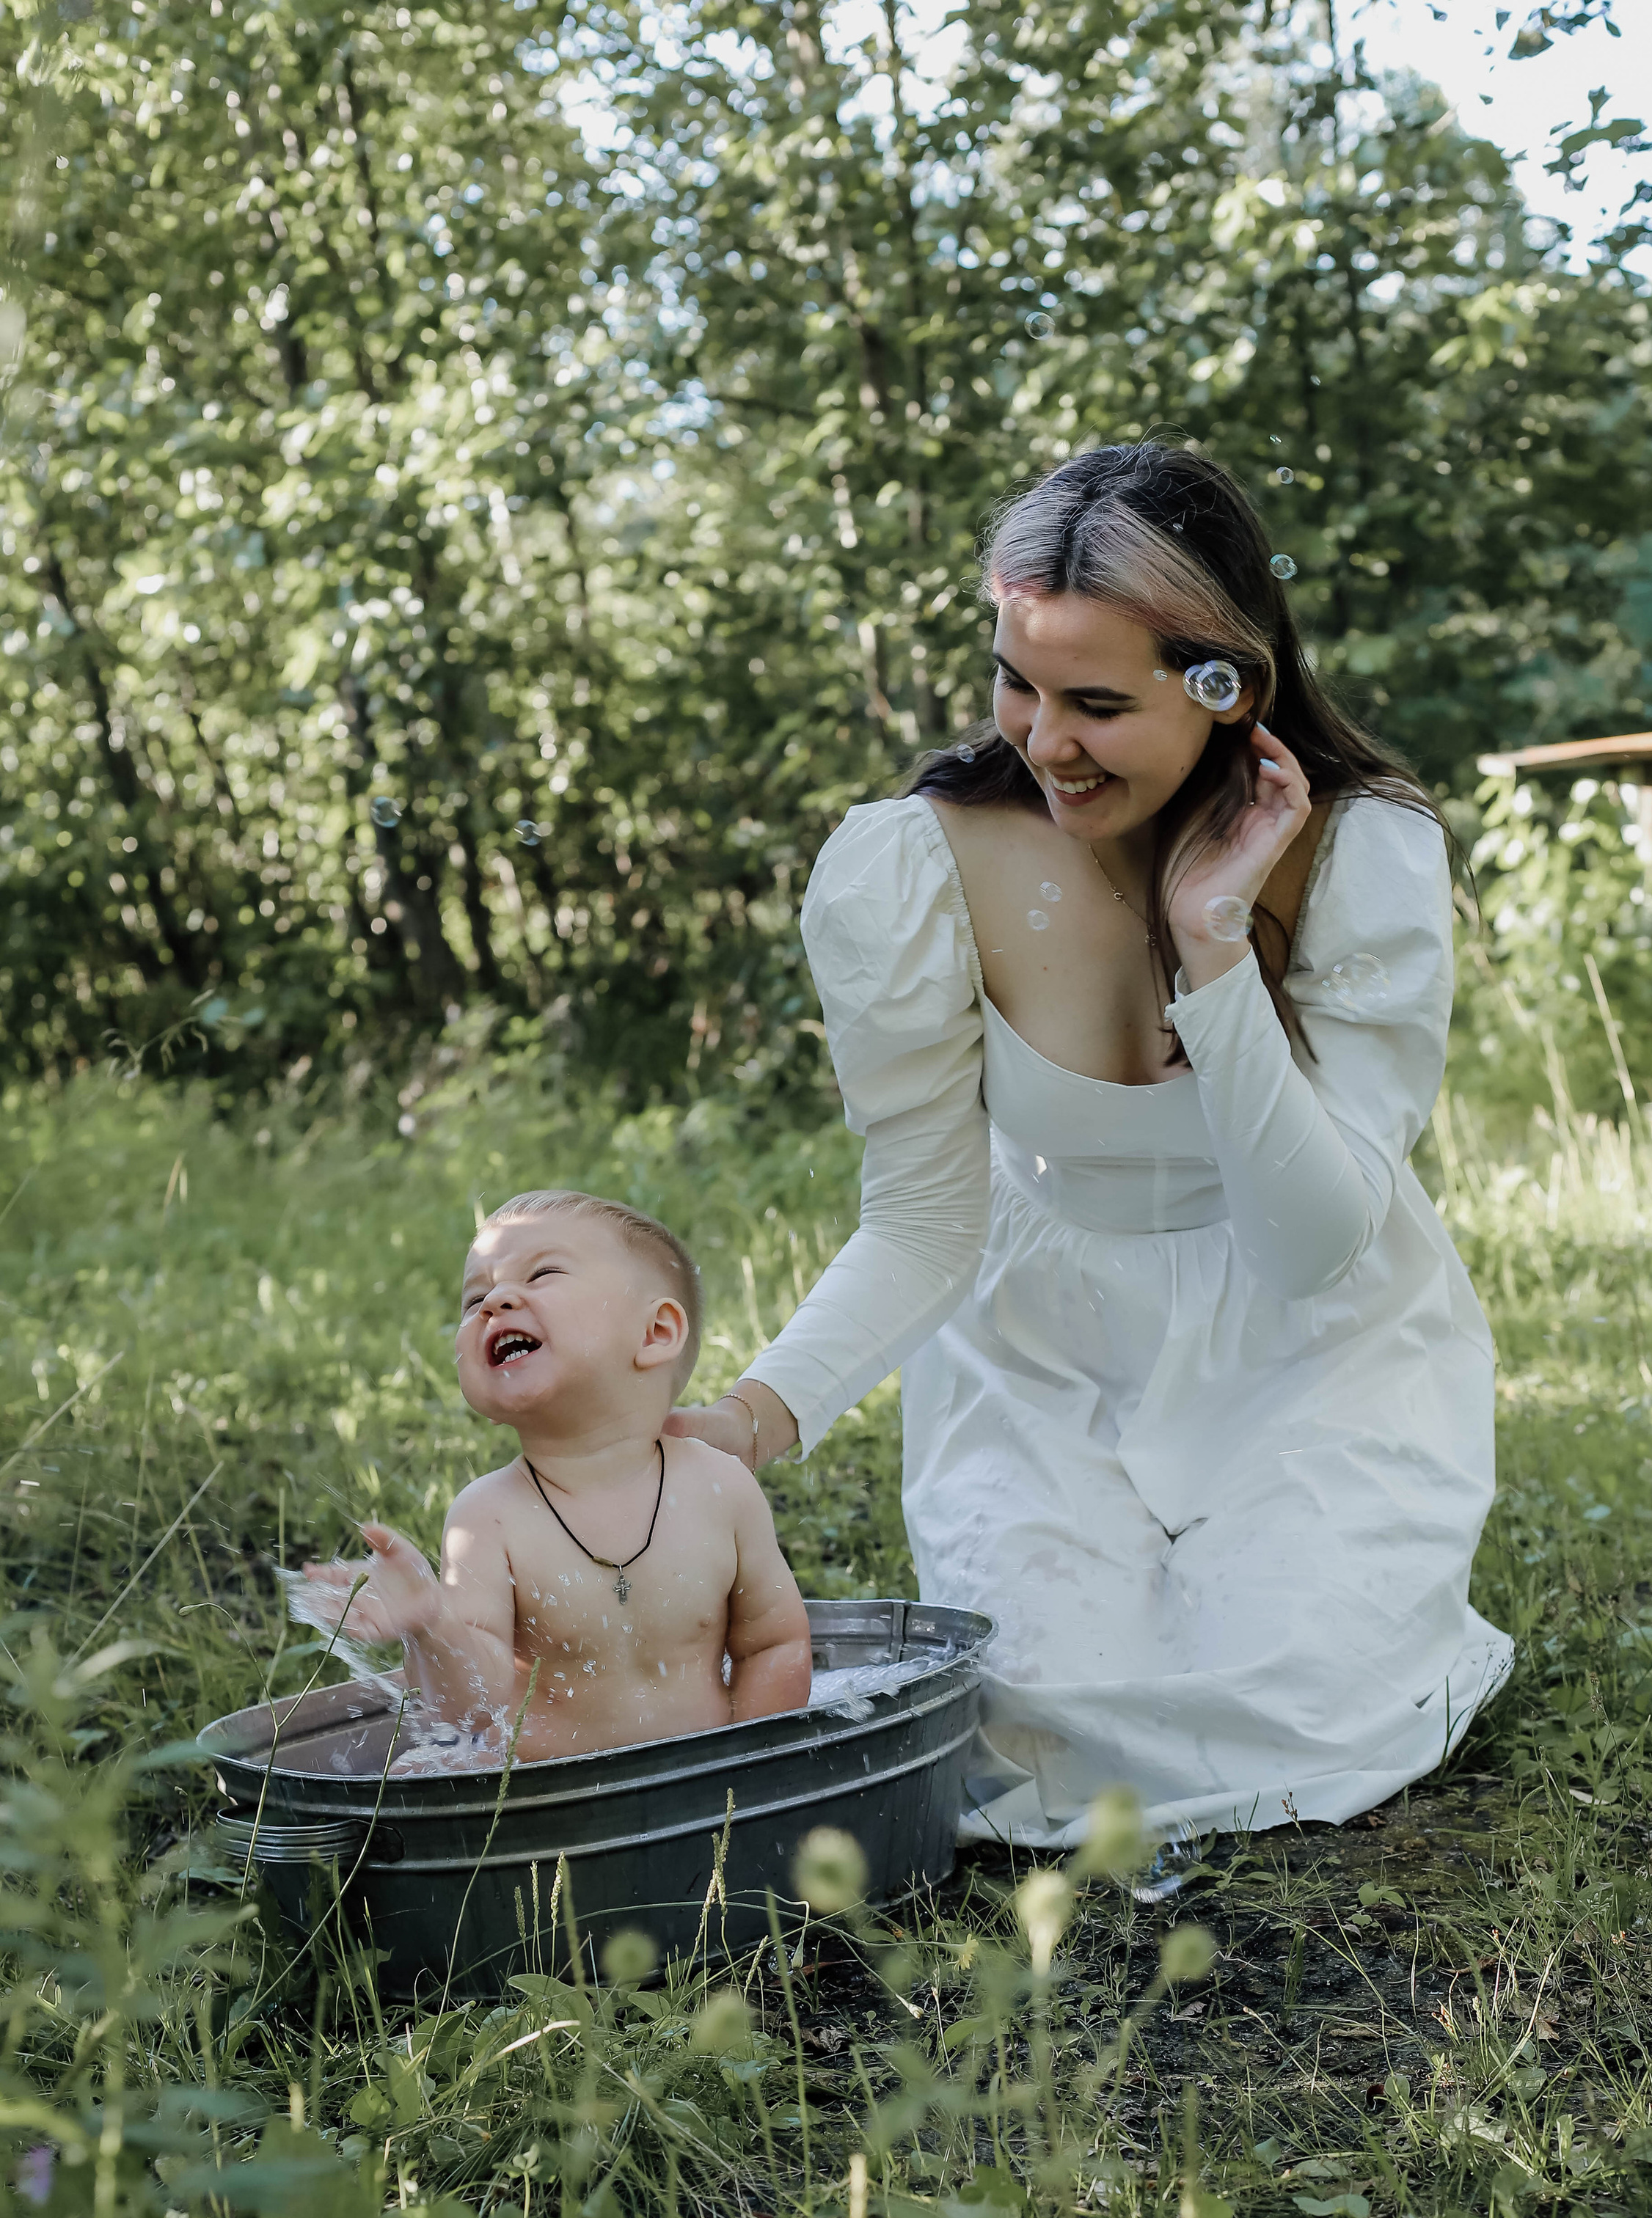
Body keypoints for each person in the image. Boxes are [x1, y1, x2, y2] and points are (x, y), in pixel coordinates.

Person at [668, 442, 1510, 1845]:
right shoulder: (918, 861)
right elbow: (928, 1219)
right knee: (1042, 1729)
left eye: (1099, 703)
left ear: (1225, 683)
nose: (1044, 742)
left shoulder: (1363, 854)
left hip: (1320, 1345)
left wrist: (1216, 949)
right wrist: (747, 1421)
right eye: (1017, 683)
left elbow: (1310, 1245)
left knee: (1294, 1707)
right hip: (1042, 1352)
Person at [301, 1190, 812, 1760]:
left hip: (702, 1795)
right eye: (474, 1300)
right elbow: (471, 1707)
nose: (495, 1301)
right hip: (550, 1812)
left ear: (655, 1333)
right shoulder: (488, 1516)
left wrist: (752, 1766)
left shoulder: (722, 1489)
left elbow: (774, 1645)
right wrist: (432, 1624)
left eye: (541, 1273)